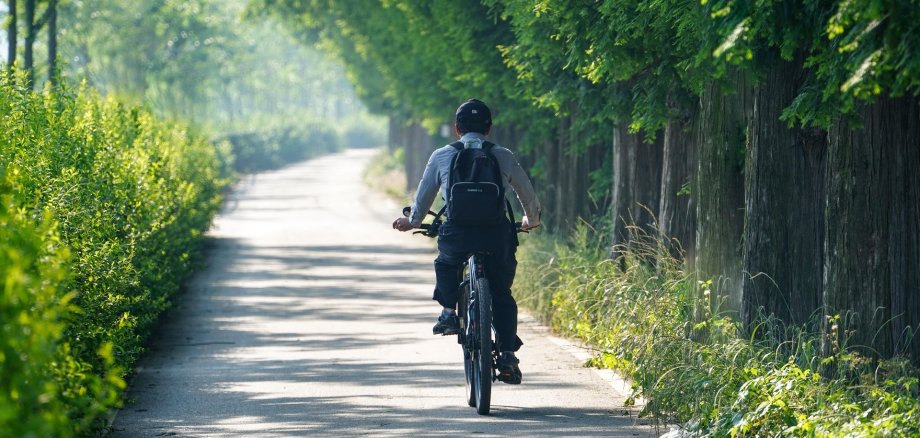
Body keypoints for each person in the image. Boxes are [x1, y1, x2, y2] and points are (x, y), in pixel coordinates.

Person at [392, 99, 541, 384]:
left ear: (457, 129)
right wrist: (530, 221)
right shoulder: (503, 155)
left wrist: (411, 221)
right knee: (501, 293)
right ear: (489, 128)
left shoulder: (441, 155)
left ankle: (448, 312)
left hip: (457, 233)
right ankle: (507, 353)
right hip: (496, 234)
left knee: (447, 262)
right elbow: (526, 193)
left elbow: (423, 198)